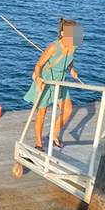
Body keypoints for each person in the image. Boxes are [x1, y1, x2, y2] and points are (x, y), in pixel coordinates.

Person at [23, 18, 83, 150]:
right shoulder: (53, 47)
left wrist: (72, 68)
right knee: (41, 113)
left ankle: (54, 134)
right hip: (46, 81)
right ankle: (39, 143)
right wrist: (38, 78)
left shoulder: (75, 43)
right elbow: (38, 65)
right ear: (62, 33)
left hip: (60, 81)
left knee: (67, 111)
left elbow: (71, 56)